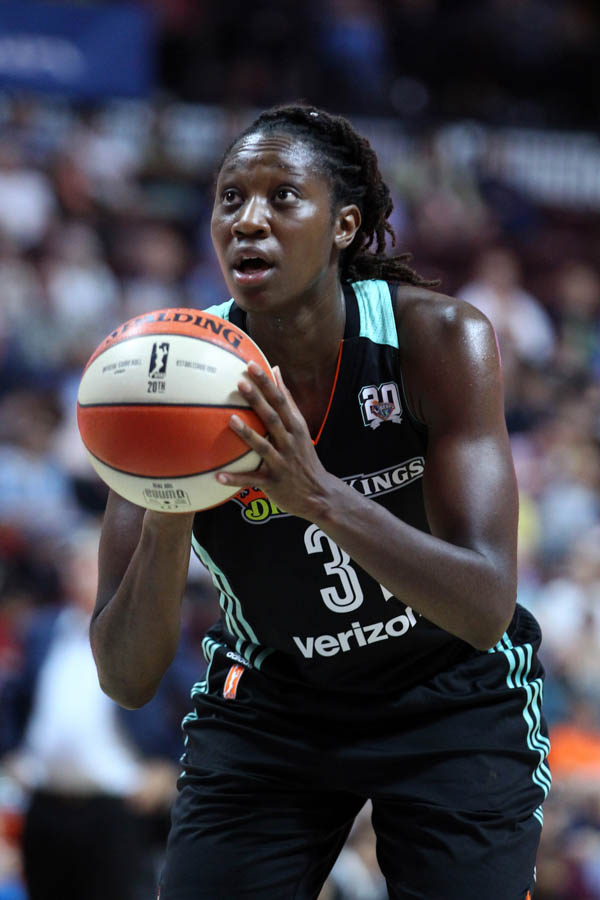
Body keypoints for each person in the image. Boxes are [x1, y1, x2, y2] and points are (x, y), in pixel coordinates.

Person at [90, 104, 550, 899]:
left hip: (453, 692)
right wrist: (170, 501)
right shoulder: (160, 379)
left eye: (281, 197)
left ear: (344, 225)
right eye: (230, 199)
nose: (248, 220)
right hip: (277, 698)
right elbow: (127, 678)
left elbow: (484, 609)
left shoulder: (437, 340)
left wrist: (319, 497)